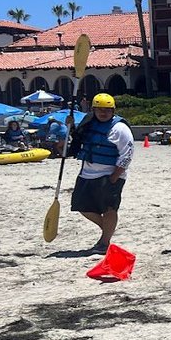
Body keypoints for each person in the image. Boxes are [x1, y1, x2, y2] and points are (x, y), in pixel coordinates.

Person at [67, 93, 134, 252]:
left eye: (107, 110)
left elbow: (128, 153)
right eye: (99, 110)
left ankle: (104, 243)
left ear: (113, 110)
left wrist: (115, 176)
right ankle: (108, 230)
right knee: (81, 206)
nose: (103, 113)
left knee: (109, 209)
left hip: (110, 175)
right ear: (94, 110)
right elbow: (78, 139)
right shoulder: (88, 123)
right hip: (87, 173)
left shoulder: (120, 128)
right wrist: (70, 127)